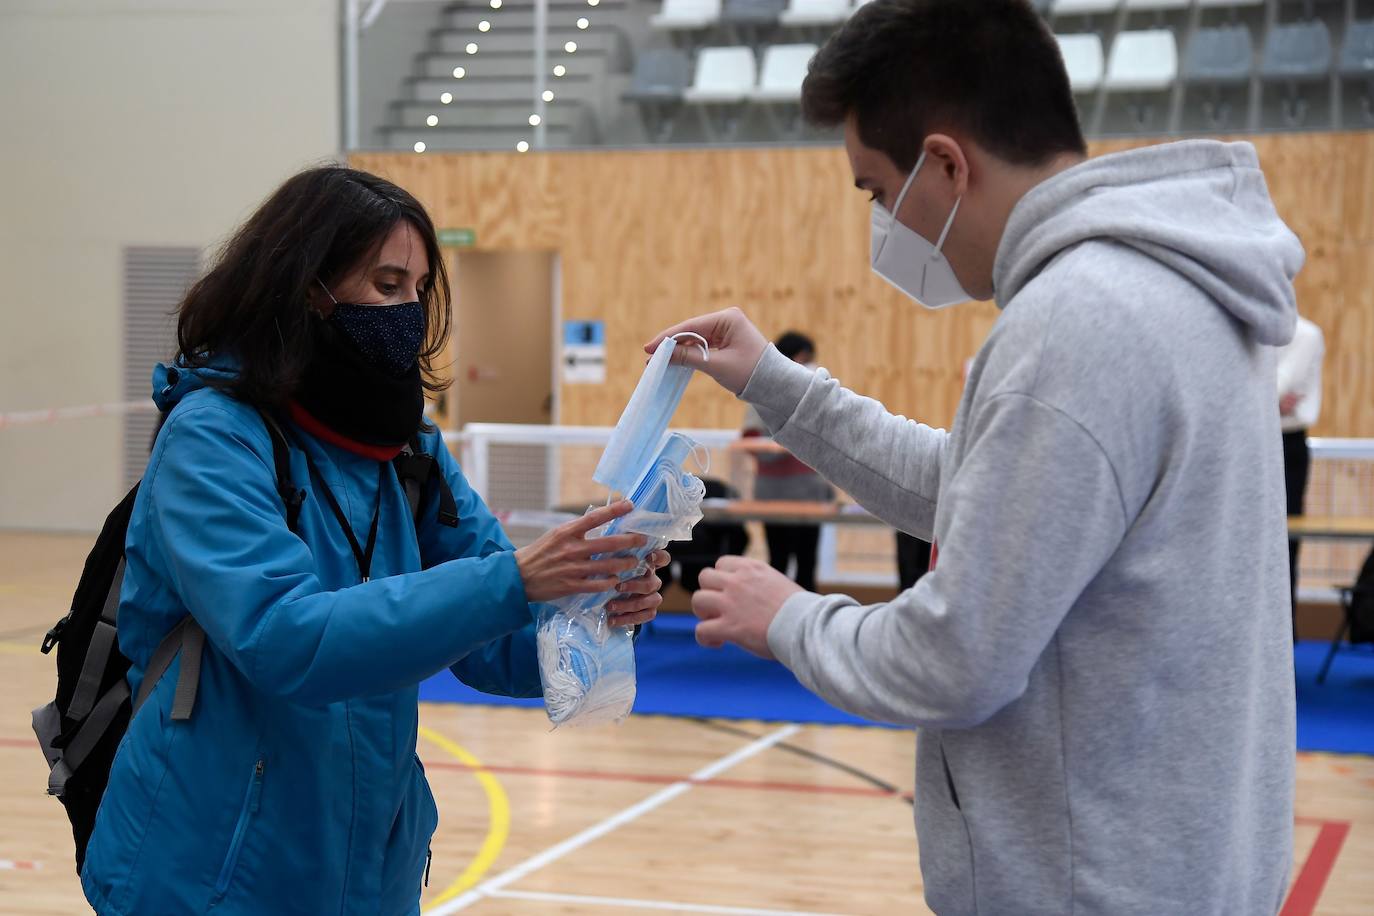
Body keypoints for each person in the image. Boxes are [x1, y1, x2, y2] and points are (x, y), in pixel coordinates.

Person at [646, 1, 1303, 912]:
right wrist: (776, 382)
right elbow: (981, 488)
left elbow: (956, 662)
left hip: (1098, 883)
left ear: (947, 166)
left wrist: (791, 617)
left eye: (878, 190)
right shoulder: (1163, 287)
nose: (882, 222)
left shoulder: (1076, 322)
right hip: (1184, 865)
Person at [81, 166, 668, 916]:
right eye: (387, 284)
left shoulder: (411, 450)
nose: (409, 310)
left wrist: (602, 602)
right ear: (304, 288)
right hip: (208, 876)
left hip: (366, 870)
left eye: (419, 290)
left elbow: (505, 650)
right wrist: (515, 581)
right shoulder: (214, 437)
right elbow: (282, 638)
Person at [742, 331, 832, 590]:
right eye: (803, 358)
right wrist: (790, 443)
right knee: (778, 561)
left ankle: (805, 626)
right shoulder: (762, 390)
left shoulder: (816, 389)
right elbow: (751, 439)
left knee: (806, 563)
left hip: (809, 491)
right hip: (774, 492)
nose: (807, 365)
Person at [1278, 314, 1325, 633]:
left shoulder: (1304, 334)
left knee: (1285, 540)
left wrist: (1255, 397)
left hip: (1287, 442)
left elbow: (1282, 387)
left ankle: (1284, 633)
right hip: (1246, 438)